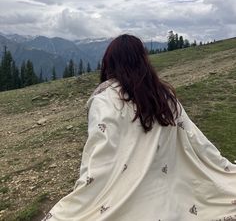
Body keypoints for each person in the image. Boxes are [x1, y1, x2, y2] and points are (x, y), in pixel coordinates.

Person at [42, 34, 236, 221]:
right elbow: (195, 138)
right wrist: (220, 166)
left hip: (123, 192)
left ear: (110, 62)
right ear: (143, 60)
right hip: (171, 186)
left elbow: (98, 149)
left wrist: (84, 188)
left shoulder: (104, 100)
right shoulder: (165, 95)